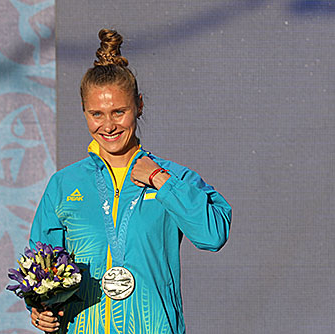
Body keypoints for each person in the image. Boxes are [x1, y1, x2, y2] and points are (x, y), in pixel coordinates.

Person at [28, 28, 231, 334]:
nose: (108, 125)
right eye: (96, 113)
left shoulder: (173, 177)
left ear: (139, 105)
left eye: (119, 112)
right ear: (83, 112)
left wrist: (160, 180)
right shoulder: (64, 184)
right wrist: (40, 309)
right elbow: (43, 268)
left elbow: (213, 235)